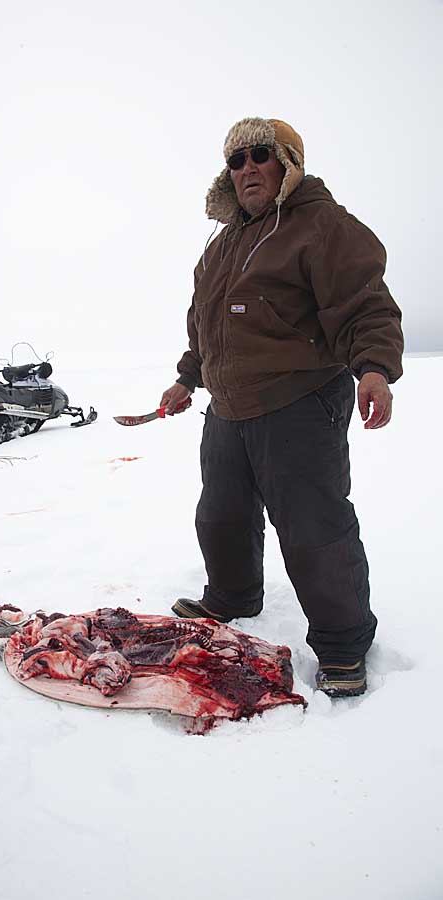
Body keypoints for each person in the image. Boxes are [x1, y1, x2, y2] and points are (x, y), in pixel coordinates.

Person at [161, 117, 403, 697]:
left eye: (259, 155)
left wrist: (374, 367)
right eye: (235, 160)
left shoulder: (322, 226)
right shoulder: (221, 246)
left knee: (313, 527)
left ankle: (344, 644)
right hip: (228, 405)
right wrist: (187, 378)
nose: (246, 169)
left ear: (288, 163)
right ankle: (232, 596)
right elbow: (207, 328)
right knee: (221, 516)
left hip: (299, 400)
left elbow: (364, 303)